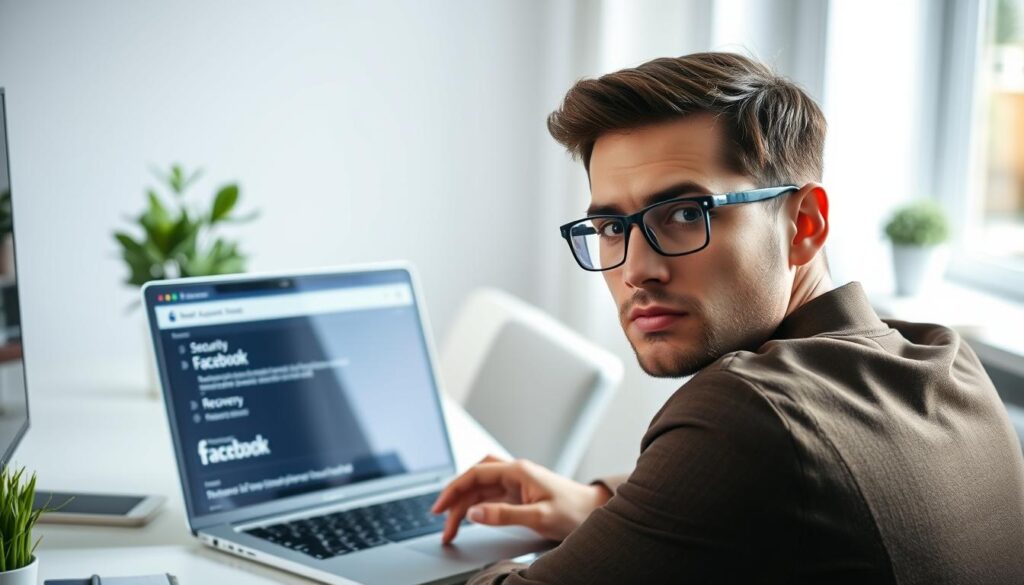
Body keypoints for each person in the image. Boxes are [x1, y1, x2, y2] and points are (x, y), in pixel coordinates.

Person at [431, 52, 1024, 584]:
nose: (637, 269)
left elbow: (762, 456)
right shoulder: (941, 359)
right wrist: (601, 506)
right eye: (612, 228)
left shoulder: (748, 410)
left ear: (804, 225)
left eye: (685, 214)